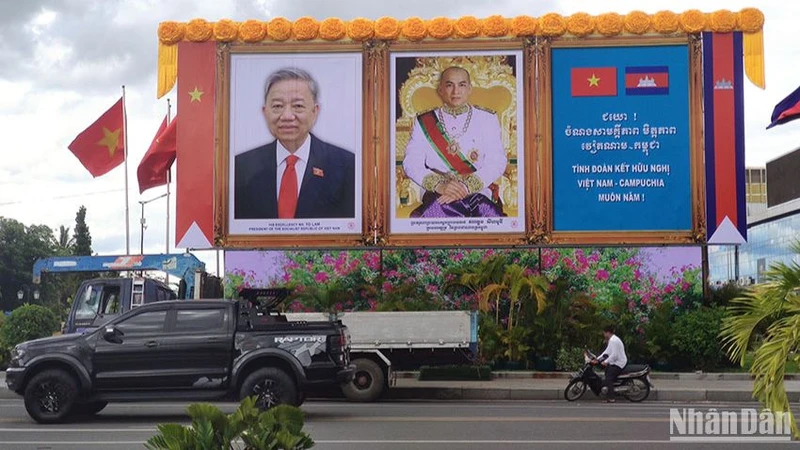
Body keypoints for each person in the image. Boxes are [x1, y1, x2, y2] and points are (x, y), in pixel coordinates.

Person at [234, 67, 355, 220]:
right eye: (277, 106)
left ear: (315, 111)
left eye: (298, 106)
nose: (287, 116)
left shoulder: (347, 166)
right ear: (265, 112)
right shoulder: (241, 166)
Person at [402, 66, 508, 218]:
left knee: (487, 214)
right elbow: (411, 162)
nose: (455, 91)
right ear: (440, 90)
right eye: (449, 85)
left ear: (470, 89)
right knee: (437, 212)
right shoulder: (425, 121)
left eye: (462, 85)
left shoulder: (487, 119)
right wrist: (440, 185)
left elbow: (497, 161)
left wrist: (466, 187)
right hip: (437, 193)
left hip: (478, 191)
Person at [592, 324, 628, 403]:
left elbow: (614, 355)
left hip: (619, 363)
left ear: (608, 332)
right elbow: (607, 351)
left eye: (604, 333)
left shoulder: (613, 340)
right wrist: (597, 359)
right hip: (615, 362)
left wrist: (606, 361)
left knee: (609, 378)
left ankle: (611, 398)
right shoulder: (612, 340)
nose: (604, 335)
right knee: (607, 373)